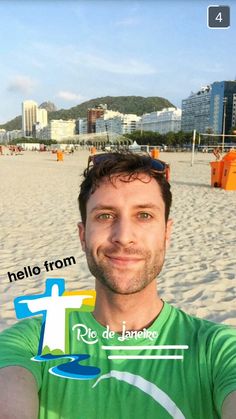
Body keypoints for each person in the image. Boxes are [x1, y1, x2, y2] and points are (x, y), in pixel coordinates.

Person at [0, 152, 235, 419]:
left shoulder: (216, 349)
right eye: (105, 216)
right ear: (82, 234)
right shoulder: (31, 342)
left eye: (144, 215)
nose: (124, 237)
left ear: (166, 233)